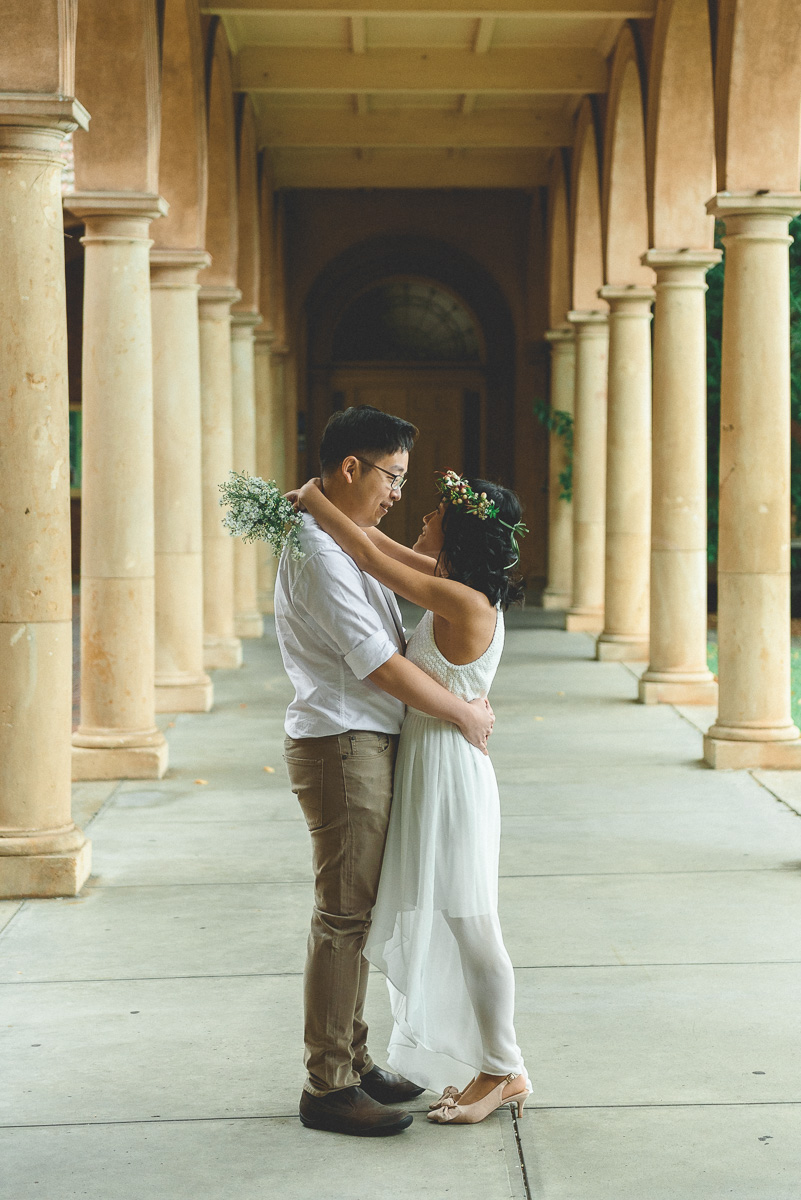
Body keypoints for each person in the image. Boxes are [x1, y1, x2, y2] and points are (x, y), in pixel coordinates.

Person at [275, 406, 495, 1138]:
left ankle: (354, 1057)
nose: (398, 493)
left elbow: (388, 561)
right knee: (342, 914)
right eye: (393, 476)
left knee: (357, 910)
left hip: (361, 740)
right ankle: (328, 1085)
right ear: (350, 469)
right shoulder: (316, 550)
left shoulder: (337, 535)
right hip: (343, 744)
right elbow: (378, 665)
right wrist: (463, 714)